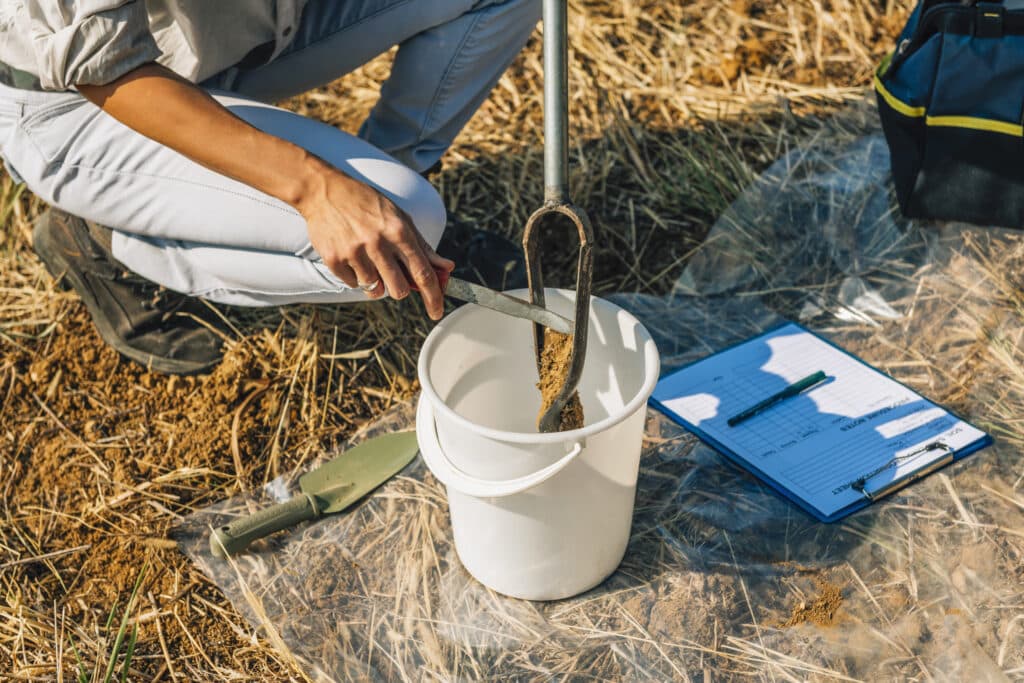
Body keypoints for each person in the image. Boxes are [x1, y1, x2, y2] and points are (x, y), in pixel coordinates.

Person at [0, 0, 540, 374]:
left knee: (394, 220)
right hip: (86, 101)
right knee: (414, 214)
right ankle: (104, 236)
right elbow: (101, 67)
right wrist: (313, 187)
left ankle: (382, 212)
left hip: (236, 33)